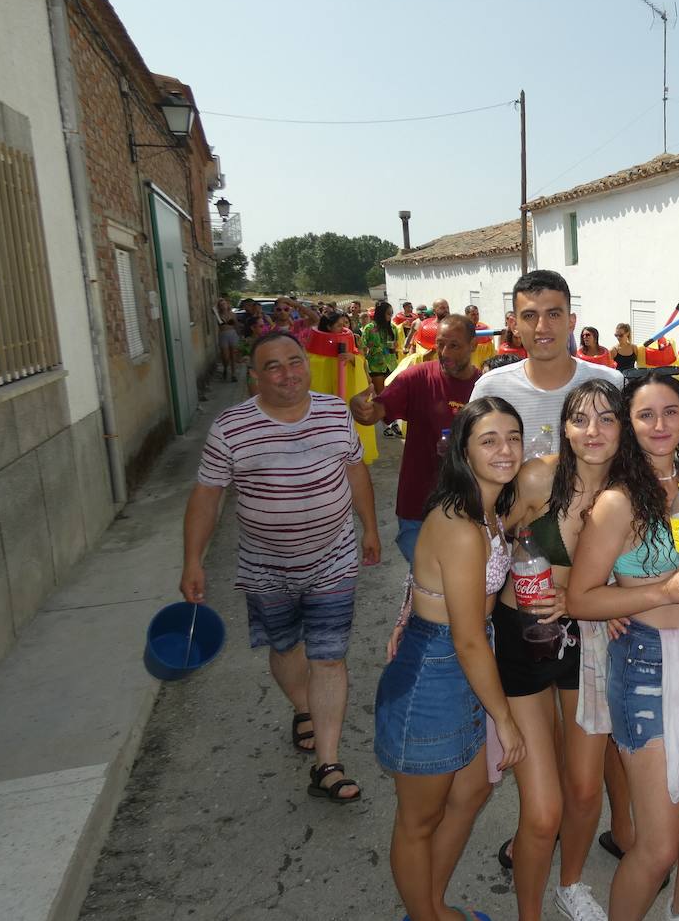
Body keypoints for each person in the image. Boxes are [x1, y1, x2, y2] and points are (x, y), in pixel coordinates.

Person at [181, 331, 380, 802]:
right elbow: (207, 496)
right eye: (273, 366)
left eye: (295, 361)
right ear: (255, 376)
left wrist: (369, 526)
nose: (288, 373)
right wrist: (192, 560)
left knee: (328, 656)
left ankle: (327, 764)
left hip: (334, 556)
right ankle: (302, 707)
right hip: (265, 565)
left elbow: (355, 470)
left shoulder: (334, 413)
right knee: (285, 647)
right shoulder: (231, 428)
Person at [568, 367, 679, 921]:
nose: (660, 424)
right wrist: (660, 590)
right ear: (629, 425)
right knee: (656, 846)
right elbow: (581, 598)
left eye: (671, 411)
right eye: (645, 414)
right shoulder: (619, 501)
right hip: (648, 664)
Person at [375, 397, 528, 921]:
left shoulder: (488, 508)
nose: (505, 449)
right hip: (437, 668)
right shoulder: (462, 524)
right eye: (489, 440)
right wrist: (505, 721)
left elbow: (427, 576)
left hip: (463, 657)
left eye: (513, 436)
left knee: (473, 787)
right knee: (419, 818)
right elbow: (465, 639)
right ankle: (426, 915)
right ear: (463, 451)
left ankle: (430, 904)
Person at [491, 380, 623, 921]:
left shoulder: (630, 489)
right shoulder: (538, 477)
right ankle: (530, 915)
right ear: (564, 427)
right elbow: (479, 539)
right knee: (543, 812)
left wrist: (607, 598)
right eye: (580, 419)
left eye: (607, 419)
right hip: (522, 639)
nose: (593, 432)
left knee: (587, 788)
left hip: (588, 644)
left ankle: (571, 885)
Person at [350, 314, 481, 564]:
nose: (444, 352)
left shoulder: (484, 386)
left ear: (473, 346)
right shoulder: (417, 378)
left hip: (468, 508)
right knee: (424, 590)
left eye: (454, 345)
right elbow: (379, 410)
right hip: (418, 507)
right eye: (440, 344)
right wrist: (364, 412)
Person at [470, 270, 622, 453]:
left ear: (571, 322)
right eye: (529, 316)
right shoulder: (490, 389)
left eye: (554, 315)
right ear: (514, 325)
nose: (542, 327)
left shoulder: (612, 383)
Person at [361, 302, 402, 436]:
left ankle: (394, 422)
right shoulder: (369, 328)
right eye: (388, 313)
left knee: (392, 395)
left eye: (391, 314)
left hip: (391, 364)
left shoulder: (393, 328)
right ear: (380, 313)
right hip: (376, 365)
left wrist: (393, 347)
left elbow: (396, 346)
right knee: (381, 395)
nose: (390, 316)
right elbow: (363, 347)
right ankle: (386, 425)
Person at [215, 297, 240, 382]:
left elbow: (236, 324)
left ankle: (233, 374)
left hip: (233, 334)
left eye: (224, 304)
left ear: (227, 304)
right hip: (223, 335)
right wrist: (219, 300)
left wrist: (239, 334)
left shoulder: (232, 314)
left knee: (233, 356)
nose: (223, 306)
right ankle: (225, 368)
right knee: (226, 357)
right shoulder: (218, 314)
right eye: (221, 305)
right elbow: (213, 308)